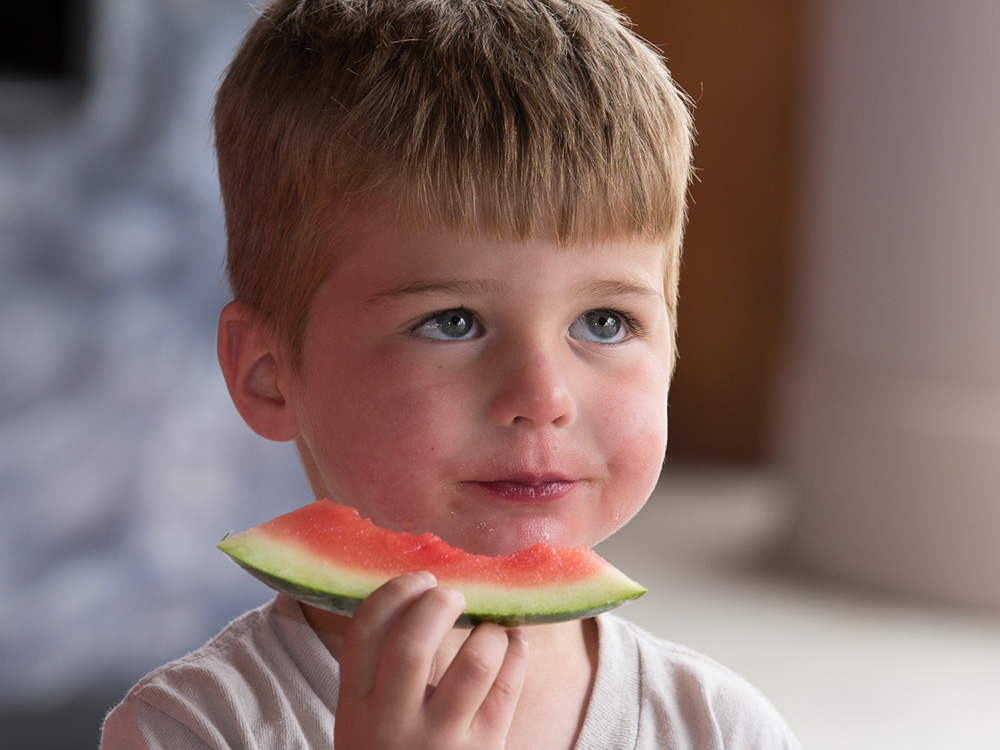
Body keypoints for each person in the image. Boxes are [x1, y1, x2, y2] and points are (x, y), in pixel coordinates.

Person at [101, 0, 801, 747]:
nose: (542, 398)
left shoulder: (721, 728)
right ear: (270, 374)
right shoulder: (191, 729)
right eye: (453, 322)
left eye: (604, 322)